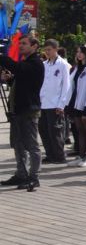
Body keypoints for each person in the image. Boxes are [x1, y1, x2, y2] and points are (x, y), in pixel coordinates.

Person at [0, 35, 44, 191]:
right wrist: (11, 80)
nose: (20, 46)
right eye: (20, 43)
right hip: (18, 110)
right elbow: (22, 81)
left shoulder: (36, 63)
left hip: (29, 110)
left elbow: (20, 70)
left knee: (32, 146)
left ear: (34, 46)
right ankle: (21, 174)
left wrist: (2, 57)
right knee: (18, 144)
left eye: (24, 44)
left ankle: (34, 177)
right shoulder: (26, 63)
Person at [38, 39, 72, 164]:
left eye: (49, 50)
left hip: (55, 103)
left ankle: (59, 156)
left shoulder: (63, 64)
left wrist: (61, 104)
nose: (47, 52)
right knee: (44, 130)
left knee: (56, 131)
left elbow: (66, 86)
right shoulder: (45, 64)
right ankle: (50, 154)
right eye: (45, 50)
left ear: (55, 49)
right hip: (43, 103)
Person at [67, 46, 86, 168]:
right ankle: (81, 155)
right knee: (79, 130)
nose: (79, 54)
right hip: (76, 102)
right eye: (78, 52)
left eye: (81, 52)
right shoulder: (77, 68)